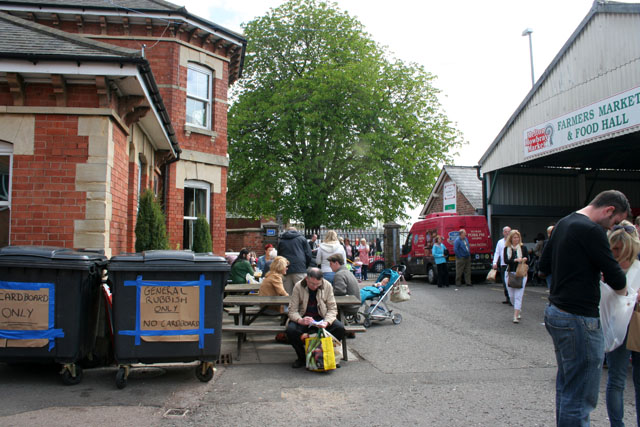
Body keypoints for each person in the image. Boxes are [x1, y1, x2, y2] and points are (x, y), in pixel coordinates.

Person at [539, 189, 630, 426]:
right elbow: (617, 279)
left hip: (556, 312)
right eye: (615, 222)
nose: (612, 228)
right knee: (580, 396)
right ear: (609, 210)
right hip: (579, 318)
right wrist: (625, 295)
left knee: (567, 387)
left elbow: (542, 266)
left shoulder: (564, 223)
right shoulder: (591, 230)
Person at [603, 221, 640, 427]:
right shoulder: (607, 266)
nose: (615, 252)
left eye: (619, 248)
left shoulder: (637, 265)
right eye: (613, 248)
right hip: (618, 328)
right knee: (616, 380)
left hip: (637, 325)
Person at [285, 267, 345, 368]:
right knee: (291, 331)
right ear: (307, 279)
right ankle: (302, 358)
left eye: (318, 284)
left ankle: (328, 355)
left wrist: (327, 322)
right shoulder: (298, 286)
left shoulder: (327, 285)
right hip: (304, 318)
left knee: (340, 328)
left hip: (322, 317)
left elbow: (332, 309)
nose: (315, 286)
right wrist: (300, 320)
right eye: (312, 284)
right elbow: (292, 310)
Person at [277, 227, 313, 295]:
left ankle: (288, 306)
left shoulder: (281, 240)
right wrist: (305, 266)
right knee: (303, 293)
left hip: (285, 269)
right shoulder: (302, 239)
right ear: (296, 231)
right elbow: (308, 254)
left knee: (287, 294)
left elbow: (279, 256)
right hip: (299, 268)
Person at [503, 230, 528, 323]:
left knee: (518, 296)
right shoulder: (506, 248)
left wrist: (524, 259)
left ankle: (515, 316)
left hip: (521, 274)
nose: (516, 239)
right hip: (510, 273)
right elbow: (506, 261)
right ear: (511, 238)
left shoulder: (523, 248)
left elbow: (528, 258)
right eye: (514, 237)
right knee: (512, 296)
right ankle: (518, 308)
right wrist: (515, 260)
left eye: (517, 237)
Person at [328, 253, 360, 317]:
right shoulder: (347, 272)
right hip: (355, 305)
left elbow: (340, 291)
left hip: (349, 307)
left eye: (331, 264)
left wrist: (328, 293)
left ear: (336, 263)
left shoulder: (339, 274)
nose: (330, 266)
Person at [492, 226, 511, 303]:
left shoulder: (513, 241)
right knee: (504, 282)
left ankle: (511, 298)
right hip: (503, 265)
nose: (507, 233)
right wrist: (495, 262)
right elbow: (497, 253)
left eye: (509, 231)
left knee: (511, 282)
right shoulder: (500, 242)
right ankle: (507, 297)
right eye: (506, 231)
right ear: (503, 233)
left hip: (511, 265)